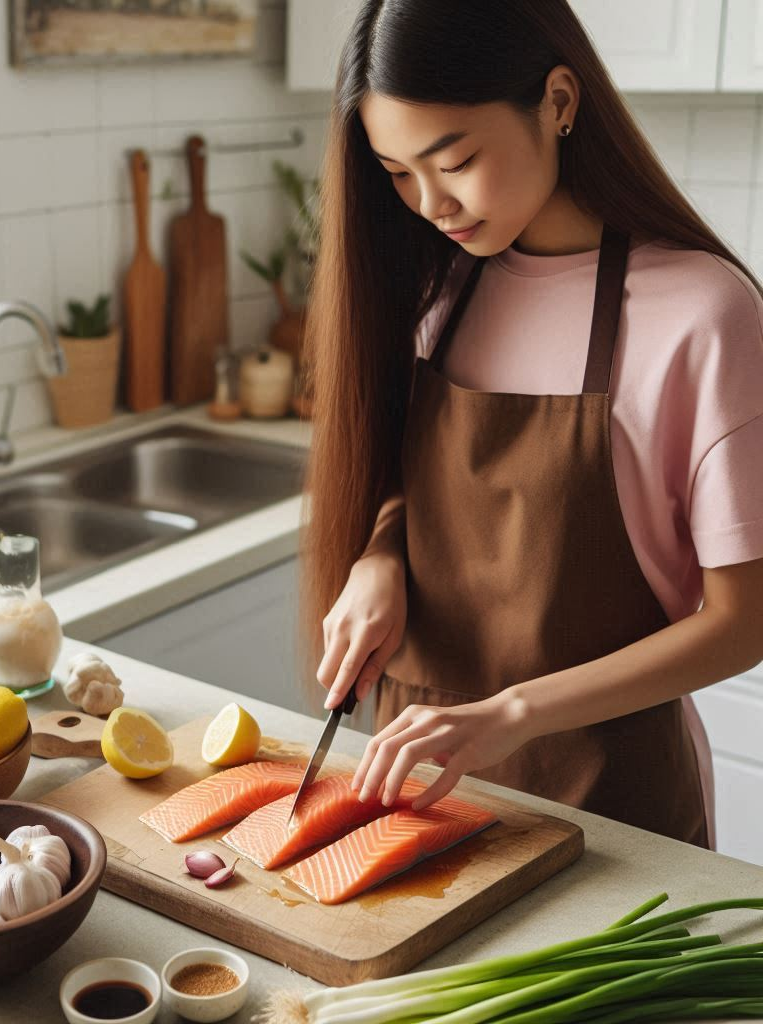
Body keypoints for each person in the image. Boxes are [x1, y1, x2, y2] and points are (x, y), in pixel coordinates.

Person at [302, 0, 763, 850]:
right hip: (416, 783)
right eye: (398, 172)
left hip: (609, 802)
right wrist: (379, 553)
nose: (431, 203)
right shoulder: (439, 291)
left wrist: (513, 714)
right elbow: (416, 478)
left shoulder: (701, 315)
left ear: (557, 101)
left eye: (456, 159)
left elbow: (744, 620)